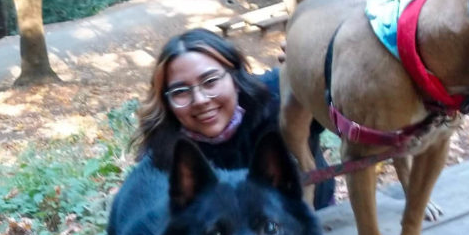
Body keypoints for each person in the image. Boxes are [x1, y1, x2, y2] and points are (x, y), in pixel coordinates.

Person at [133, 28, 334, 209]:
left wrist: (319, 71)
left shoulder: (278, 97)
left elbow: (347, 113)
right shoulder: (166, 152)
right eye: (180, 91)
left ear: (235, 78)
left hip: (323, 219)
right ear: (166, 100)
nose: (200, 100)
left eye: (210, 81)